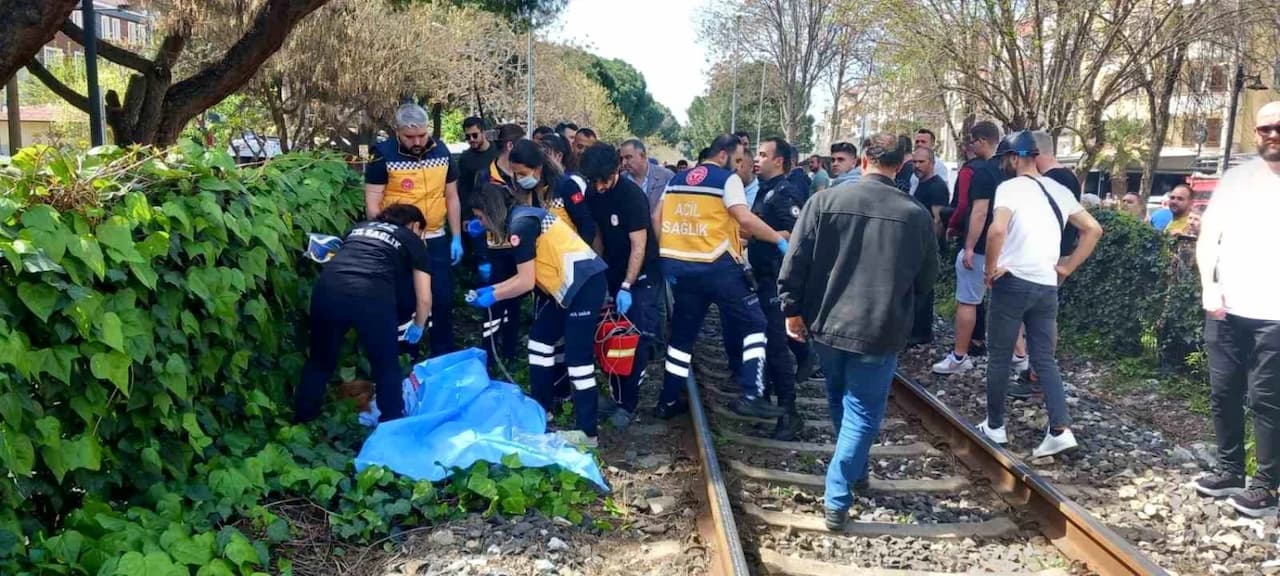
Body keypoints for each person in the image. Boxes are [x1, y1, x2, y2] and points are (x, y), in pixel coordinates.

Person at [778, 132, 937, 532]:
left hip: (828, 325)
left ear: (864, 159)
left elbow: (795, 262)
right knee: (863, 413)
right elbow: (927, 278)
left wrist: (792, 310)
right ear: (900, 165)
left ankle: (847, 476)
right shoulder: (915, 213)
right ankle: (838, 492)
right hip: (880, 328)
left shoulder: (824, 201)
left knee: (840, 398)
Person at [978, 130, 1103, 458]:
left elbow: (997, 229)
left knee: (1000, 356)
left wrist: (990, 269)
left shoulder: (1009, 187)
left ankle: (995, 426)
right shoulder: (1058, 189)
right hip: (1046, 286)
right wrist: (1066, 268)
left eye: (1006, 158)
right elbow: (1093, 229)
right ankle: (1060, 429)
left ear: (1016, 158)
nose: (1004, 164)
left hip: (1013, 282)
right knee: (1044, 358)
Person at [651, 134, 790, 420]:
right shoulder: (727, 180)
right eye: (738, 159)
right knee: (755, 323)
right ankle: (752, 392)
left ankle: (667, 401)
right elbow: (745, 218)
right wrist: (778, 240)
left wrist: (669, 251)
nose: (741, 166)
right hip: (718, 267)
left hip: (682, 269)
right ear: (724, 155)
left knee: (681, 337)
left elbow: (656, 218)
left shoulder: (677, 179)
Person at [1193, 101, 1280, 518]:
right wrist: (1209, 287)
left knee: (1267, 399)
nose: (1272, 135)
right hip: (1227, 307)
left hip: (1275, 315)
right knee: (1223, 391)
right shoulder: (1237, 179)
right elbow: (1209, 235)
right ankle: (1229, 471)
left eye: (1279, 128)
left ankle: (1265, 485)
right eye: (1265, 129)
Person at [470, 183, 608, 446]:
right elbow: (526, 278)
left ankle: (588, 432)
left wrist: (494, 295)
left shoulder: (521, 227)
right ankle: (541, 408)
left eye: (480, 218)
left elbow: (524, 282)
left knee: (578, 361)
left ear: (490, 211)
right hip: (563, 287)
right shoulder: (522, 216)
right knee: (539, 341)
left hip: (584, 286)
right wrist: (491, 289)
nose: (481, 225)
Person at [294, 204, 433, 424]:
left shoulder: (357, 228)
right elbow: (424, 298)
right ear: (415, 225)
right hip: (372, 294)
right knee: (386, 365)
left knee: (320, 361)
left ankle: (302, 420)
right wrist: (419, 324)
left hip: (329, 288)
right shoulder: (411, 238)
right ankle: (392, 425)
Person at [364, 103, 462, 357]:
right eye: (410, 137)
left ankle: (443, 355)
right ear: (397, 132)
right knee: (407, 299)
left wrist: (457, 237)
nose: (417, 141)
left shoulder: (441, 151)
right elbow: (373, 204)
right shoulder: (382, 155)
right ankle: (408, 355)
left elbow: (451, 197)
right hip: (401, 241)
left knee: (441, 298)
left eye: (422, 134)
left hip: (435, 237)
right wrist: (389, 239)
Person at [580, 144, 662, 429]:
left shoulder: (631, 196)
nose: (599, 187)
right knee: (609, 335)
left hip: (640, 275)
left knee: (632, 338)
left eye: (603, 180)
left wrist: (627, 284)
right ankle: (616, 392)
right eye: (595, 182)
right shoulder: (594, 192)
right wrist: (598, 271)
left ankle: (628, 403)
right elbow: (599, 235)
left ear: (615, 172)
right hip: (613, 270)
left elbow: (639, 245)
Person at [934, 121, 1003, 374]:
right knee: (1007, 304)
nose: (970, 147)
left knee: (968, 301)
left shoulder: (981, 171)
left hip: (983, 246)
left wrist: (970, 246)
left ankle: (959, 357)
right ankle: (1018, 358)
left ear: (982, 141)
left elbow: (977, 211)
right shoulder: (1010, 169)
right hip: (1008, 247)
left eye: (972, 142)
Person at [752, 138, 809, 439]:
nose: (756, 159)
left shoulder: (785, 192)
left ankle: (789, 413)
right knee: (765, 344)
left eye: (763, 155)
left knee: (776, 347)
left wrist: (762, 234)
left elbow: (794, 234)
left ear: (780, 161)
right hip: (761, 278)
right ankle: (767, 404)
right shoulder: (765, 190)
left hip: (776, 280)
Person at [509, 139, 597, 246]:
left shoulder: (565, 186)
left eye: (523, 174)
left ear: (538, 168)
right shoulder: (521, 194)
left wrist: (580, 254)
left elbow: (586, 225)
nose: (518, 178)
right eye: (515, 174)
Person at [911, 147, 949, 346]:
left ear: (932, 163)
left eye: (921, 162)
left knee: (924, 290)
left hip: (928, 247)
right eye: (914, 162)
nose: (917, 166)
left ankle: (922, 333)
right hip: (916, 245)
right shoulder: (920, 184)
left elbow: (938, 220)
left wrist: (931, 248)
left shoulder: (936, 187)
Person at [458, 117, 498, 238]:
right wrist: (466, 216)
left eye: (475, 135)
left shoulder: (498, 151)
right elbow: (463, 190)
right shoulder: (465, 158)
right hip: (477, 214)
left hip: (499, 209)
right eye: (467, 137)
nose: (471, 139)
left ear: (483, 133)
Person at [620, 139, 675, 212]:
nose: (624, 163)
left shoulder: (666, 177)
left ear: (643, 156)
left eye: (628, 157)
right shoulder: (621, 180)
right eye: (622, 158)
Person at [909, 128, 951, 194]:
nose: (919, 144)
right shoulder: (914, 162)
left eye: (923, 142)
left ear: (932, 145)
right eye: (917, 141)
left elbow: (943, 192)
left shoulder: (938, 165)